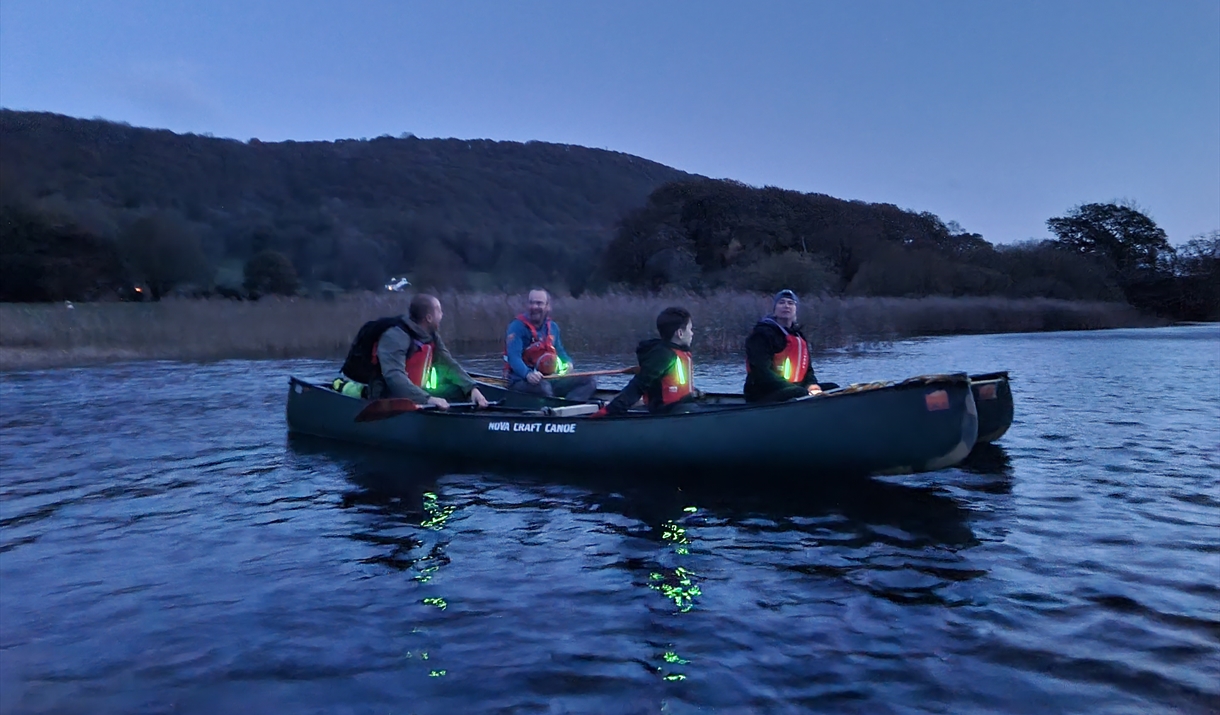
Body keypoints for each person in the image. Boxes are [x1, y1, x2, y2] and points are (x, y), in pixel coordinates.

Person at [340, 293, 488, 410]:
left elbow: (448, 364)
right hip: (388, 393)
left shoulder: (432, 336)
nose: (442, 315)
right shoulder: (395, 337)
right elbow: (394, 377)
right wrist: (427, 399)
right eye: (439, 311)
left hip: (416, 392)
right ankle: (350, 389)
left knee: (458, 391)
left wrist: (471, 388)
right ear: (429, 318)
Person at [593, 307, 701, 417]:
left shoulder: (678, 352)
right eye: (690, 329)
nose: (692, 333)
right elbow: (637, 387)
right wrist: (608, 412)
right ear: (680, 333)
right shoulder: (664, 355)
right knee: (691, 408)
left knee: (693, 406)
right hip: (666, 413)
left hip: (680, 408)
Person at [503, 288, 597, 402]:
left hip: (550, 379)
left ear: (548, 307)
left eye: (539, 303)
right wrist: (527, 374)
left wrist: (568, 362)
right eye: (531, 302)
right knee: (544, 388)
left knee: (589, 381)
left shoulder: (553, 327)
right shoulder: (517, 327)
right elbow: (514, 357)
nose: (534, 307)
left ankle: (570, 407)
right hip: (521, 381)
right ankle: (555, 410)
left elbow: (560, 352)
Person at [743, 289, 834, 403]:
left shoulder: (798, 336)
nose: (786, 306)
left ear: (796, 309)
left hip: (793, 389)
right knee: (799, 393)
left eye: (790, 303)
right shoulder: (761, 334)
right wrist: (792, 388)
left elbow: (808, 370)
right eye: (781, 302)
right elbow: (761, 372)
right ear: (775, 310)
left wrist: (812, 386)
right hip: (763, 393)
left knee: (833, 388)